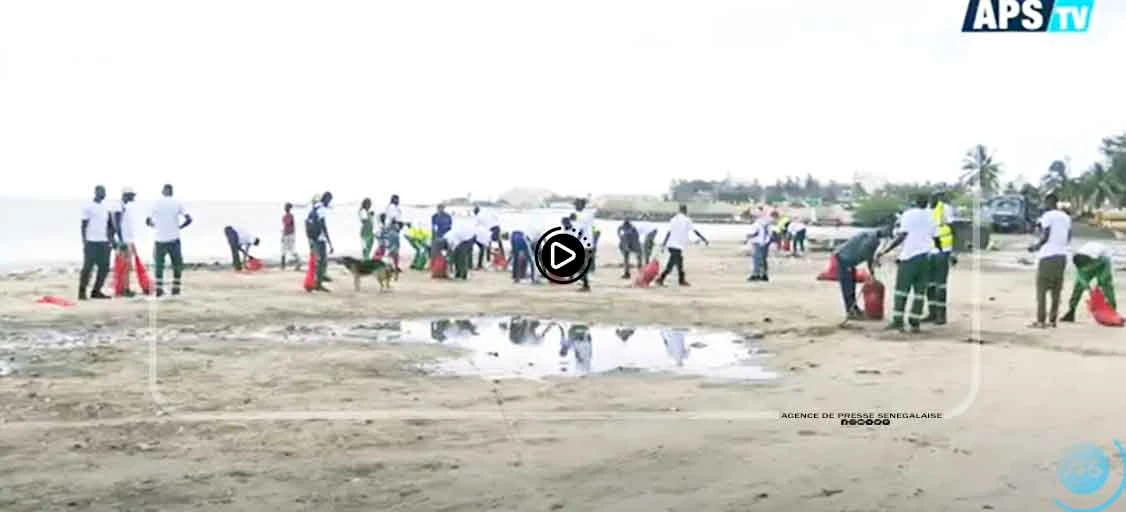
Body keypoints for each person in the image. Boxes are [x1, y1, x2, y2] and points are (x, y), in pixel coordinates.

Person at [876, 195, 938, 333]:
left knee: (901, 291)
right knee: (919, 293)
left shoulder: (908, 214)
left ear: (915, 202)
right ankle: (915, 323)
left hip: (909, 258)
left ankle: (898, 321)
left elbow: (902, 236)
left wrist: (885, 251)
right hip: (926, 258)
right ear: (927, 203)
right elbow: (935, 236)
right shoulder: (932, 215)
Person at [1027, 193, 1072, 328]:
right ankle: (1053, 320)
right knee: (1056, 291)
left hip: (1047, 256)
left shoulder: (1047, 216)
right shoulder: (1066, 217)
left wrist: (1035, 247)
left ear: (1048, 203)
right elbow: (1069, 237)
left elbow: (1045, 235)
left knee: (1041, 290)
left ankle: (1041, 320)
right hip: (1062, 256)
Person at [833, 226, 888, 320]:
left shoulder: (870, 234)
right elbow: (868, 256)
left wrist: (872, 270)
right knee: (848, 286)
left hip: (847, 258)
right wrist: (872, 271)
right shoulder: (872, 239)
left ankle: (854, 309)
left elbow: (868, 255)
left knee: (851, 285)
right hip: (845, 259)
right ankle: (851, 312)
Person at [146, 184, 192, 297]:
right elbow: (189, 219)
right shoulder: (177, 203)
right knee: (177, 265)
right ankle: (176, 289)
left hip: (159, 239)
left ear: (163, 191)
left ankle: (159, 289)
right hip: (174, 239)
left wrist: (155, 226)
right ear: (172, 192)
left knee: (159, 265)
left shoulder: (156, 203)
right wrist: (180, 227)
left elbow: (147, 221)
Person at [1062, 242, 1116, 322]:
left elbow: (1106, 270)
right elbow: (1080, 276)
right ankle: (1071, 310)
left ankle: (1112, 310)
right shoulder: (1078, 259)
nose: (1084, 270)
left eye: (1085, 268)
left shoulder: (1101, 258)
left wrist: (1099, 283)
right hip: (1087, 259)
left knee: (1106, 285)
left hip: (1103, 265)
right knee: (1078, 286)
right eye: (1082, 269)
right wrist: (1089, 288)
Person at [656, 204, 709, 287]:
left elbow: (669, 232)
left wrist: (664, 243)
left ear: (679, 210)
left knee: (679, 261)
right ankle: (660, 279)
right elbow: (694, 231)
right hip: (677, 245)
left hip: (671, 244)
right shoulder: (687, 220)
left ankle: (681, 280)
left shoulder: (673, 219)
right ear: (685, 210)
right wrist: (703, 239)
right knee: (671, 264)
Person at [924, 191, 956, 325]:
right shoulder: (926, 210)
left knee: (940, 285)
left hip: (943, 250)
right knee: (929, 285)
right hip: (928, 251)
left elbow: (953, 228)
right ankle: (932, 313)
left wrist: (953, 252)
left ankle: (941, 316)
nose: (934, 199)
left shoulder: (945, 209)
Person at [79, 185, 115, 300]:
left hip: (104, 242)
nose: (103, 194)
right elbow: (83, 225)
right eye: (101, 191)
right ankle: (81, 292)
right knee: (87, 268)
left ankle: (96, 291)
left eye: (104, 192)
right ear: (95, 192)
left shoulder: (106, 208)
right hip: (91, 242)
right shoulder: (88, 207)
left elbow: (110, 225)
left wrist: (111, 240)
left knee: (104, 268)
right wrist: (84, 240)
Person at [112, 187, 139, 297]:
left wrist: (131, 242)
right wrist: (121, 241)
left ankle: (125, 288)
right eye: (132, 195)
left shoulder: (125, 206)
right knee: (125, 266)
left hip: (128, 240)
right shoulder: (120, 206)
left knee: (126, 266)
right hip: (124, 241)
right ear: (126, 195)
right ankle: (124, 290)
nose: (133, 197)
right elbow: (117, 224)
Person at [306, 191, 335, 292]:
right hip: (319, 238)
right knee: (322, 261)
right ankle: (318, 284)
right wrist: (330, 242)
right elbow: (323, 226)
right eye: (329, 200)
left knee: (318, 260)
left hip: (312, 237)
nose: (329, 203)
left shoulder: (315, 207)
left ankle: (318, 280)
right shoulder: (321, 209)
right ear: (326, 199)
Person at [573, 198, 597, 292]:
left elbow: (581, 231)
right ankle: (585, 283)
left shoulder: (581, 216)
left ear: (581, 205)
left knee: (581, 265)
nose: (575, 206)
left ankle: (585, 284)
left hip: (583, 244)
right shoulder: (587, 215)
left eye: (576, 204)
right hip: (588, 243)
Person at [746, 211, 777, 281]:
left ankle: (756, 274)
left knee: (757, 259)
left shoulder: (756, 224)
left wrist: (748, 237)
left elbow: (754, 233)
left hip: (758, 242)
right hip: (766, 242)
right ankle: (764, 274)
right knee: (763, 259)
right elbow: (771, 234)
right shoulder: (767, 224)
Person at [472, 205, 502, 269]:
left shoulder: (478, 217)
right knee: (498, 244)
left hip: (491, 230)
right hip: (497, 227)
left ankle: (489, 261)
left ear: (475, 212)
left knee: (489, 245)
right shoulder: (485, 212)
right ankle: (500, 259)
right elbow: (496, 217)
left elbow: (475, 226)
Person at [280, 203, 301, 270]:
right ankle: (298, 261)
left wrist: (283, 235)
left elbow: (286, 226)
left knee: (285, 250)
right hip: (290, 234)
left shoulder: (287, 216)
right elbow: (290, 226)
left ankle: (283, 266)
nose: (285, 208)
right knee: (290, 250)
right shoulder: (290, 216)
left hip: (287, 235)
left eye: (286, 207)